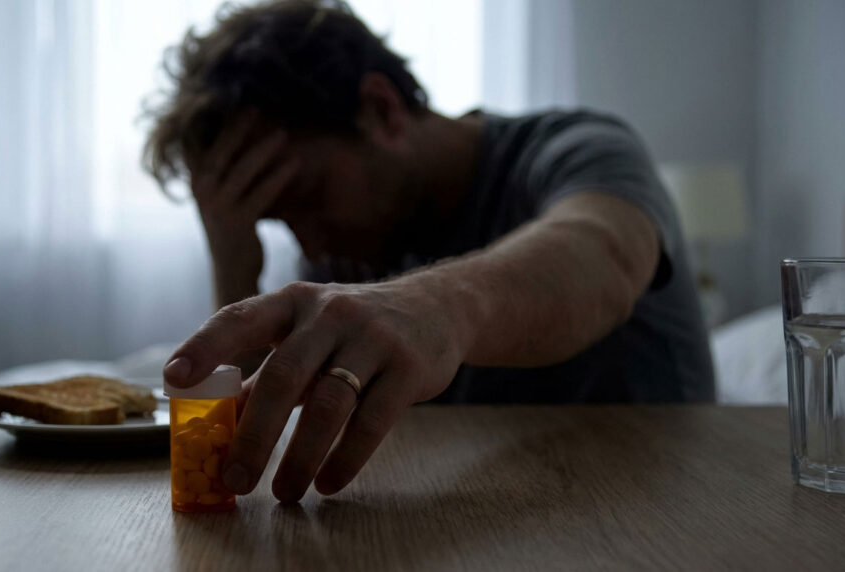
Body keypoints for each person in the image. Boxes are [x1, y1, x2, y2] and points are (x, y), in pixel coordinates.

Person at [144, 0, 715, 503]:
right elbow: (246, 421)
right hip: (475, 514)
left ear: (381, 109)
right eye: (282, 222)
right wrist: (233, 260)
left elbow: (606, 254)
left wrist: (436, 305)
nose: (311, 243)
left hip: (659, 505)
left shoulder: (578, 148)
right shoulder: (347, 247)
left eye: (309, 198)